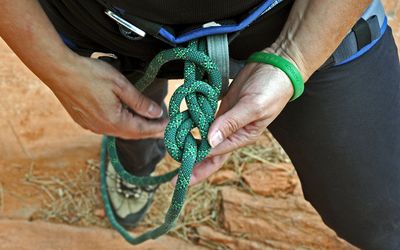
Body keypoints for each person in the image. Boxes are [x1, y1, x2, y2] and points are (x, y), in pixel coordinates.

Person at [1, 0, 399, 248]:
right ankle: (135, 162)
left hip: (297, 15)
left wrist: (294, 57)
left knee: (383, 216)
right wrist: (57, 67)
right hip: (104, 22)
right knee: (132, 116)